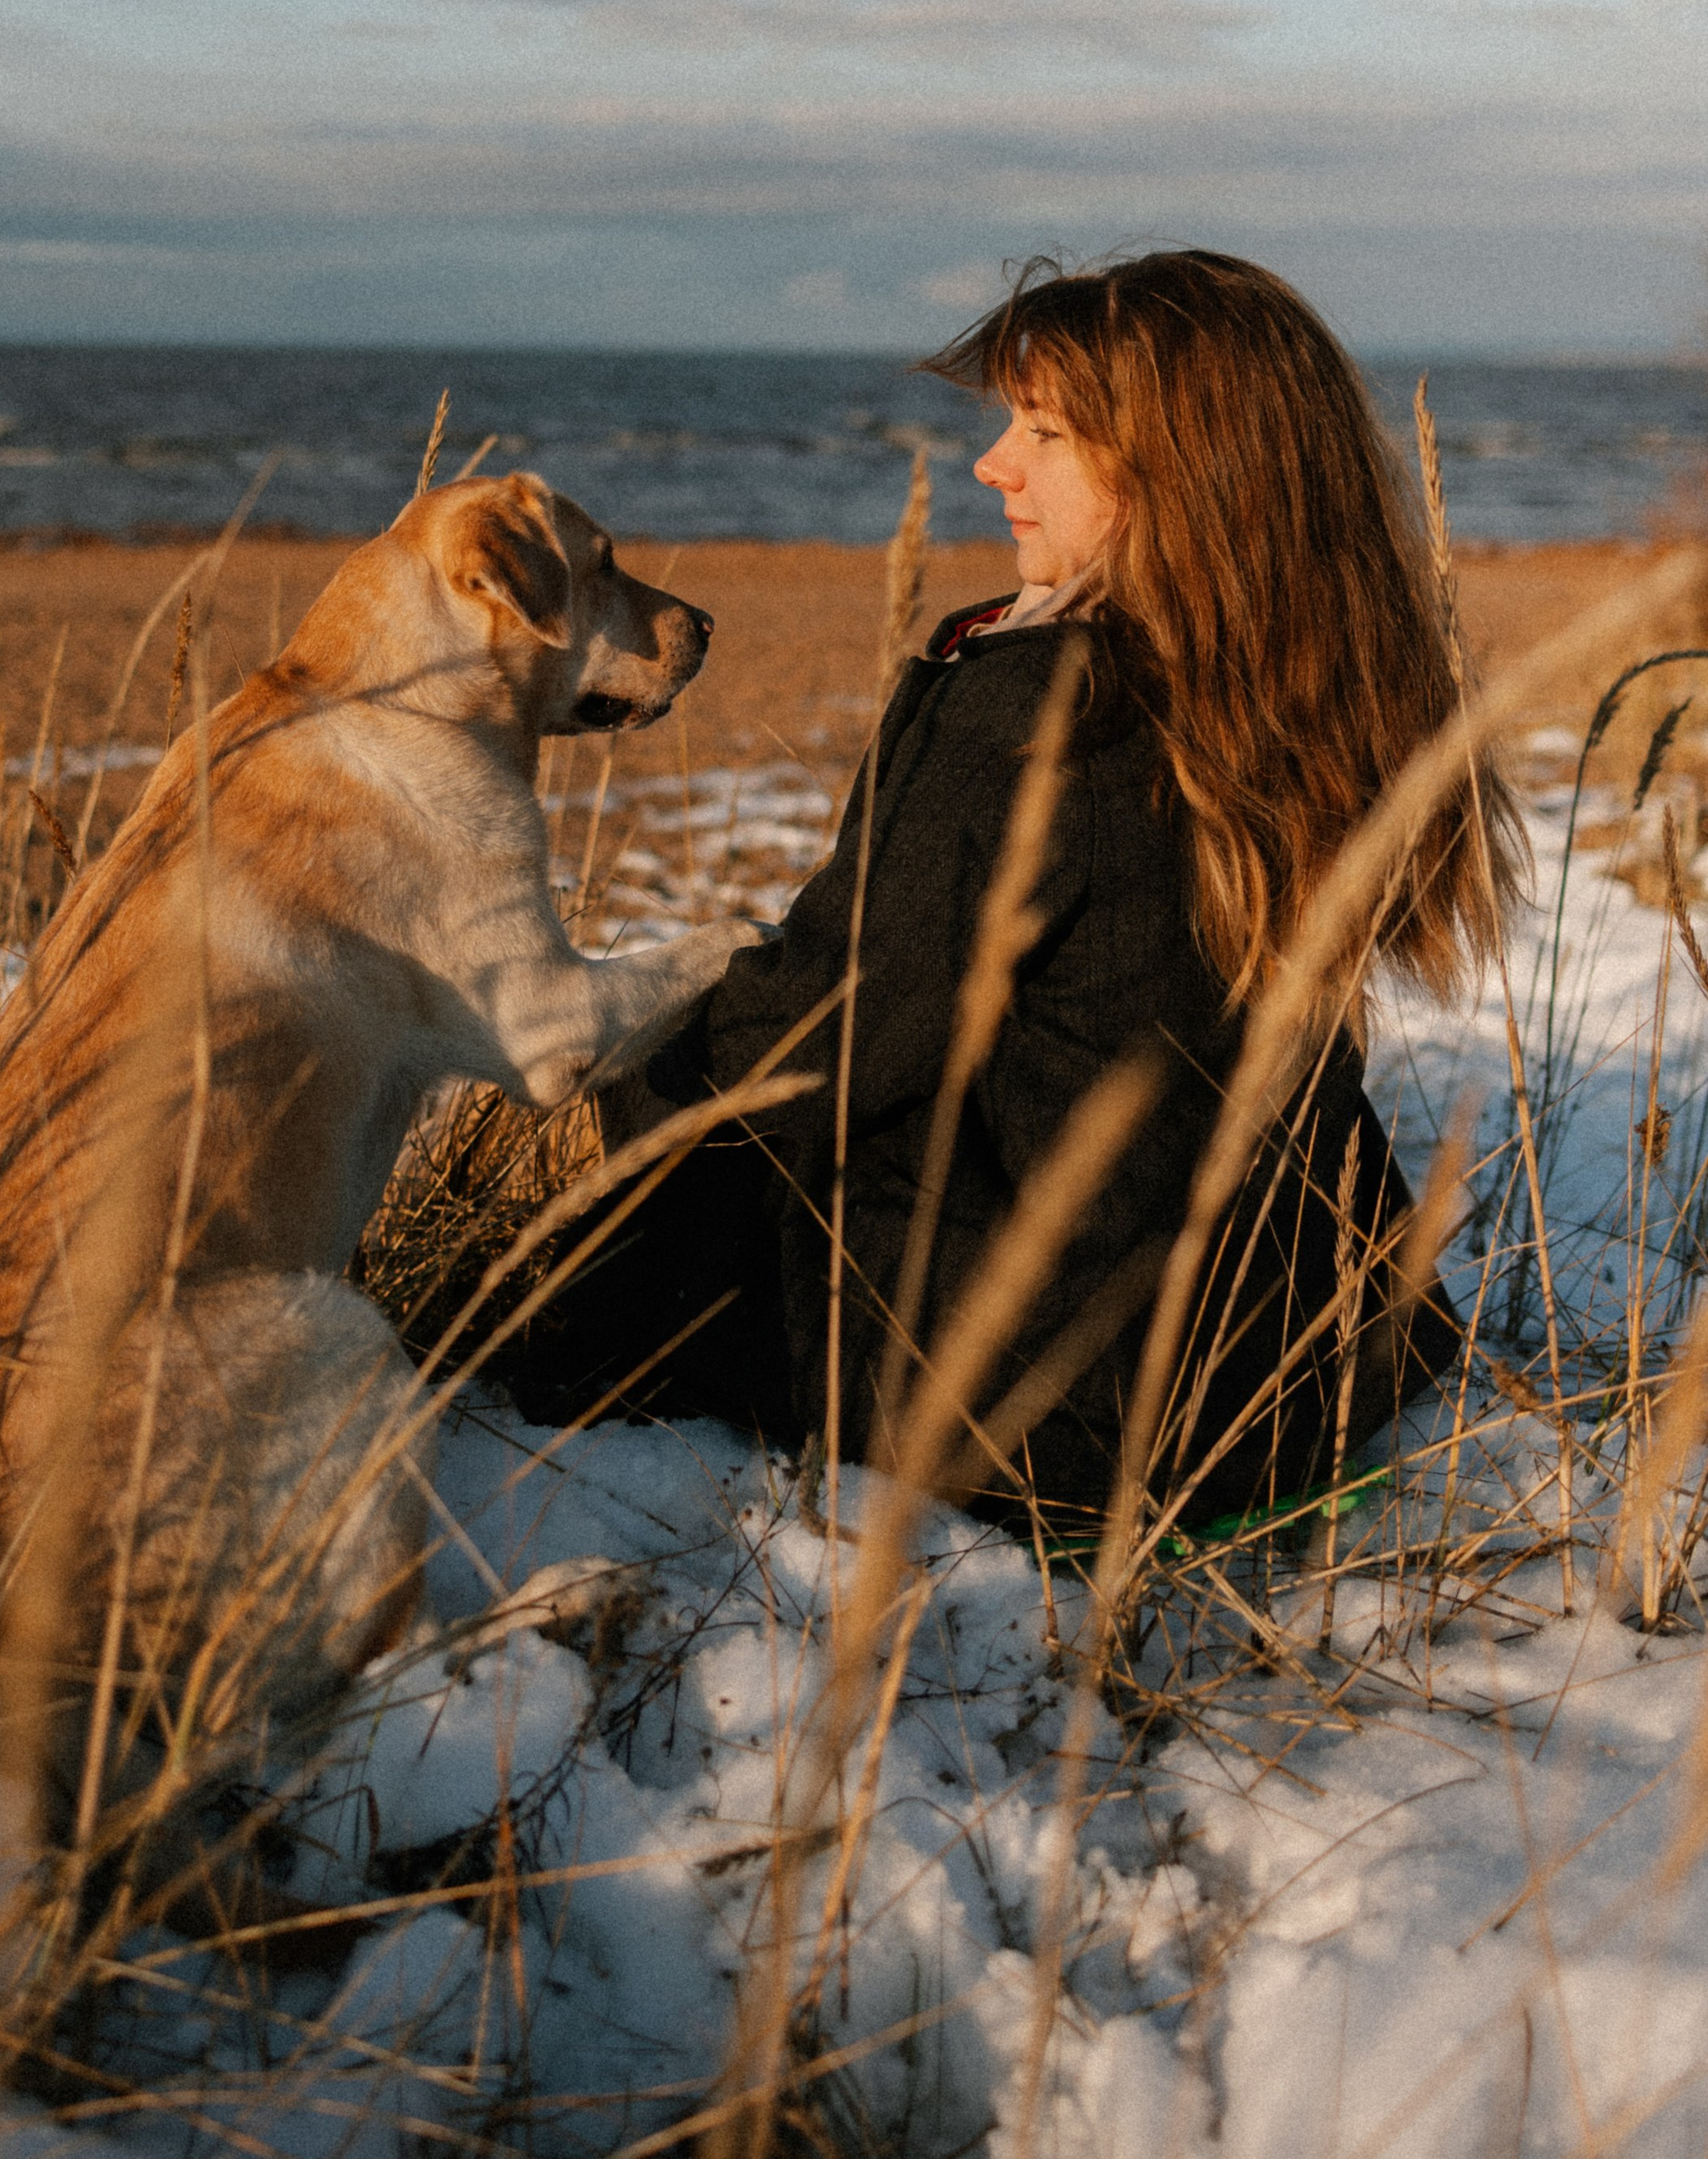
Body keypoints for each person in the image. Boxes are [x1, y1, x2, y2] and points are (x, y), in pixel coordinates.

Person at [510, 249, 1521, 1539]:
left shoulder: (1039, 703)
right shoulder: (1303, 684)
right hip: (1311, 1361)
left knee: (636, 1238)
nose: (994, 465)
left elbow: (829, 1039)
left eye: (1046, 432)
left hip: (1074, 1412)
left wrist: (625, 1075)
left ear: (1186, 469)